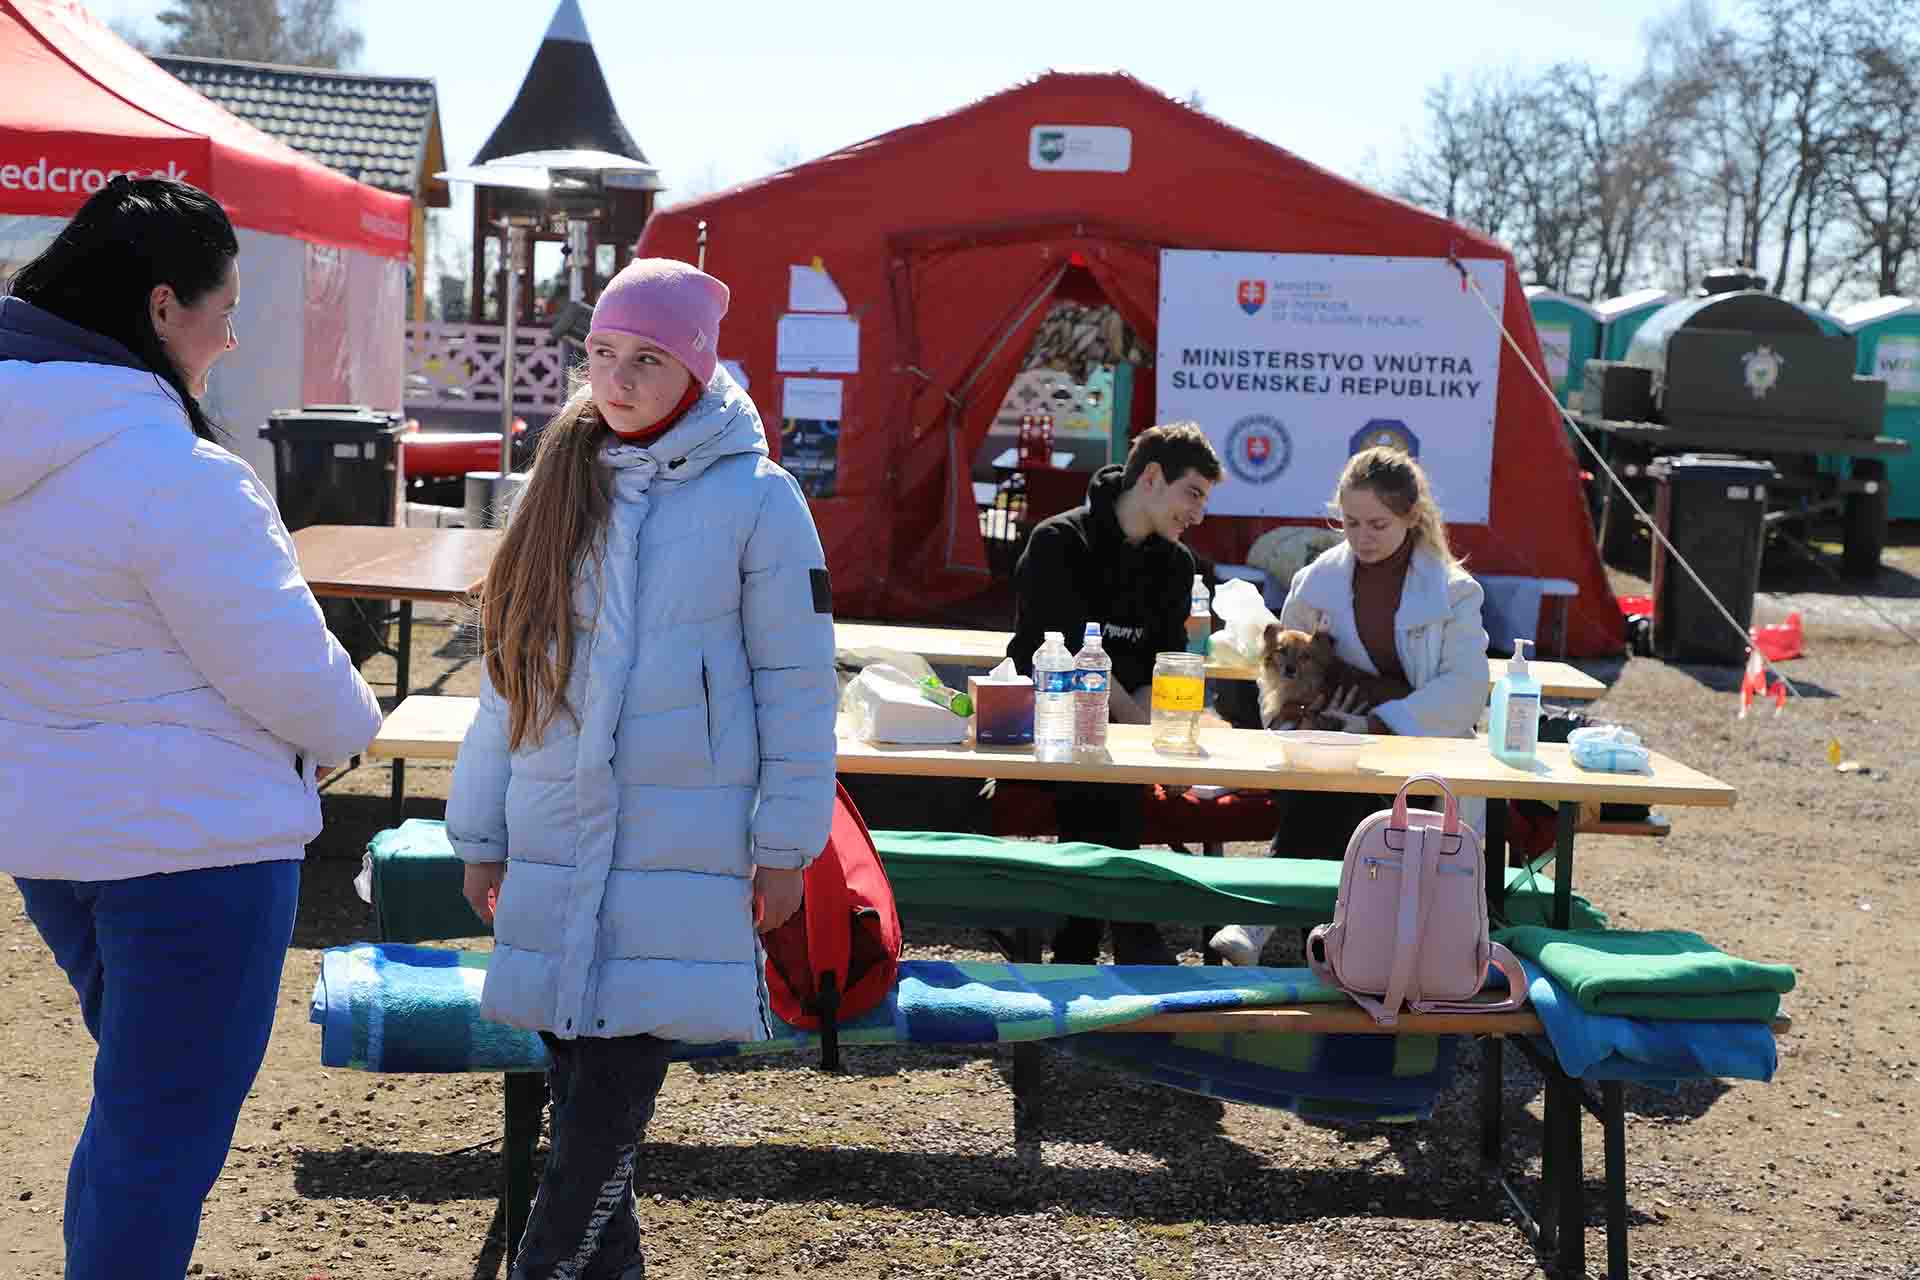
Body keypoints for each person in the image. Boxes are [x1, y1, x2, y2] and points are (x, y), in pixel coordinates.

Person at [0, 178, 383, 1280]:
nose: (235, 325)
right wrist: (352, 725)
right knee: (156, 1137)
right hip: (195, 851)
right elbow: (294, 679)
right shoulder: (176, 474)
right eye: (227, 299)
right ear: (164, 306)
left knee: (138, 1115)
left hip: (51, 843)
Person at [446, 258, 839, 1280]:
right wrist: (480, 831)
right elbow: (506, 677)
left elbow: (797, 682)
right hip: (553, 841)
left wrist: (786, 843)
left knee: (597, 1127)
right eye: (602, 355)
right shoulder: (560, 479)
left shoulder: (760, 498)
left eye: (647, 360)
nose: (616, 380)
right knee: (585, 1117)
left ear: (697, 370)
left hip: (681, 851)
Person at [1210, 445, 1488, 965]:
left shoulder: (1455, 592)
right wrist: (1290, 720)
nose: (1362, 537)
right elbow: (1275, 667)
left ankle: (1276, 926)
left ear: (1412, 516)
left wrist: (1381, 722)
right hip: (1330, 743)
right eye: (1351, 522)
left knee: (1353, 805)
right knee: (1324, 791)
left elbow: (1467, 688)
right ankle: (1311, 936)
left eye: (1378, 525)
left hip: (1420, 752)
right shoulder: (1315, 580)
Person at [1006, 422, 1222, 965]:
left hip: (1119, 743)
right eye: (1191, 493)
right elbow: (1071, 660)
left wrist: (1161, 741)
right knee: (1103, 775)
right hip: (1042, 730)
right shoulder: (1059, 541)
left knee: (1111, 778)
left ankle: (1088, 947)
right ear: (1151, 477)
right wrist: (1145, 743)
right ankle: (1127, 929)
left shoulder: (1175, 564)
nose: (1198, 513)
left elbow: (1165, 665)